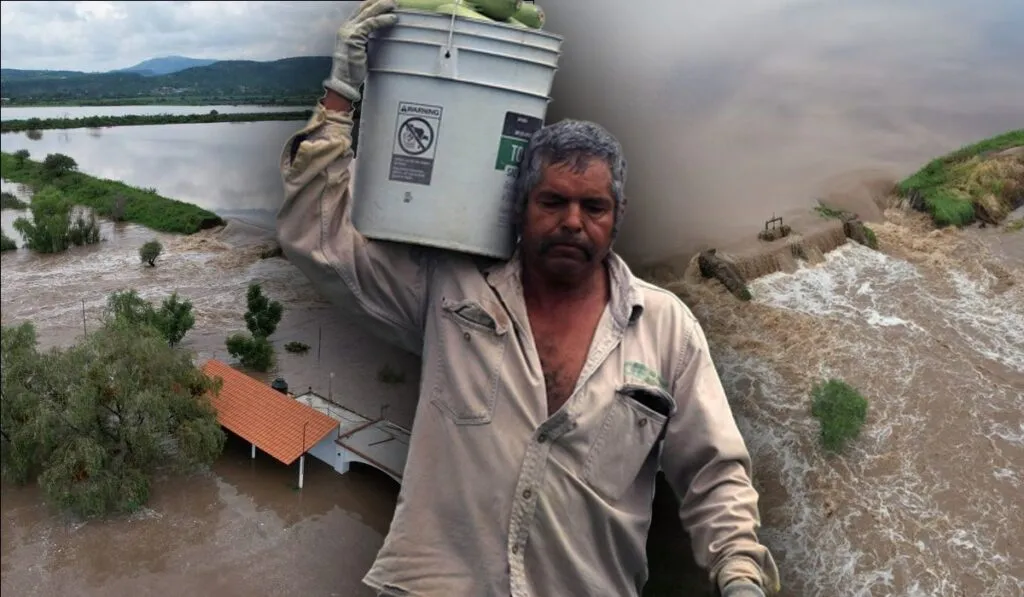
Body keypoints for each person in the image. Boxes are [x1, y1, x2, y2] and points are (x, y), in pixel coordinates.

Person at [276, 1, 781, 596]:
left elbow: (716, 473)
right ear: (519, 208)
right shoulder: (452, 289)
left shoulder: (666, 328)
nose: (573, 222)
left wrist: (742, 575)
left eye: (593, 207)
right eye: (552, 202)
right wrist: (340, 96)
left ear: (617, 219)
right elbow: (317, 234)